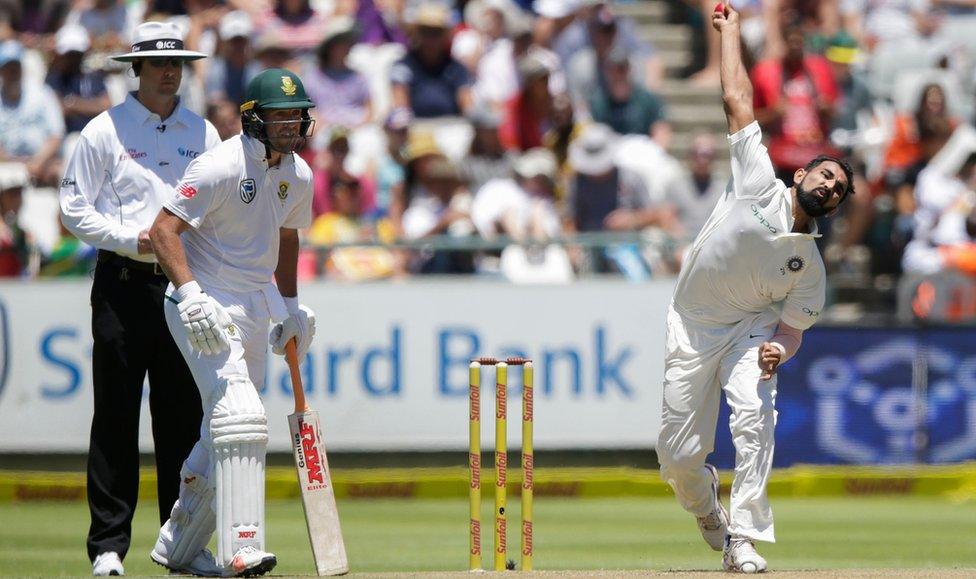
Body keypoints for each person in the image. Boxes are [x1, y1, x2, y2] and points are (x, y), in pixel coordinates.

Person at [657, 5, 854, 574]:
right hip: (692, 324)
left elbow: (792, 330)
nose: (829, 185)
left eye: (838, 187)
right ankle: (707, 509)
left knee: (754, 418)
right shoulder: (757, 180)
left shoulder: (810, 268)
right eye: (824, 174)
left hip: (749, 329)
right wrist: (732, 32)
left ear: (836, 205)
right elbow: (737, 100)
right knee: (677, 458)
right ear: (800, 175)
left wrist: (780, 349)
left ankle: (743, 537)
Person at [57, 21, 220, 577]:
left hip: (183, 287)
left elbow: (216, 209)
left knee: (183, 420)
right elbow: (75, 210)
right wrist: (134, 239)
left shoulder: (203, 133)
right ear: (138, 69)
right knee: (116, 417)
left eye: (176, 64)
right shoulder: (104, 130)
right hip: (123, 284)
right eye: (158, 63)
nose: (169, 72)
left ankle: (183, 545)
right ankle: (108, 547)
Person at [147, 67, 317, 577]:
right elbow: (162, 231)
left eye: (296, 115)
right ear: (254, 118)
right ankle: (241, 546)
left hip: (255, 302)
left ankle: (178, 546)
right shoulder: (218, 165)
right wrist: (191, 294)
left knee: (224, 431)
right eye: (279, 116)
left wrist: (288, 307)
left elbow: (287, 239)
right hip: (203, 303)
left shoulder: (299, 174)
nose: (290, 125)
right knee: (241, 417)